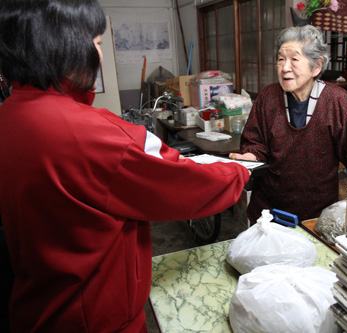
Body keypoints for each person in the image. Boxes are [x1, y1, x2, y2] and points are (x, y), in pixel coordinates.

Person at [0, 0, 249, 332]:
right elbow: (177, 184)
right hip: (94, 313)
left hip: (39, 303)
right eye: (97, 43)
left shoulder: (10, 115)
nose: (99, 56)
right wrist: (239, 173)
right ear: (63, 44)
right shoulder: (86, 132)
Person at [230, 25, 347, 223]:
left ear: (316, 66)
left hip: (317, 216)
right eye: (281, 59)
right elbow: (255, 142)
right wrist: (250, 155)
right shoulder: (268, 97)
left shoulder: (337, 102)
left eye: (294, 59)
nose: (284, 67)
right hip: (268, 213)